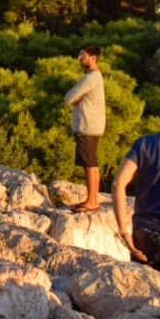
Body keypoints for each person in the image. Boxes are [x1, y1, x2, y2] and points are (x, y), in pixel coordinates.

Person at [63, 44, 106, 213]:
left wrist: (77, 98)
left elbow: (68, 98)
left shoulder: (89, 79)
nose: (79, 58)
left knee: (89, 164)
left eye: (82, 55)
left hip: (87, 126)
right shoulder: (96, 77)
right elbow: (74, 97)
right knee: (92, 163)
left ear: (93, 58)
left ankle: (92, 201)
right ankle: (93, 199)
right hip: (92, 126)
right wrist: (78, 97)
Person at [112, 132, 160, 269]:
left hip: (144, 232)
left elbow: (118, 183)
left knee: (142, 287)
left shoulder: (145, 143)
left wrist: (123, 231)